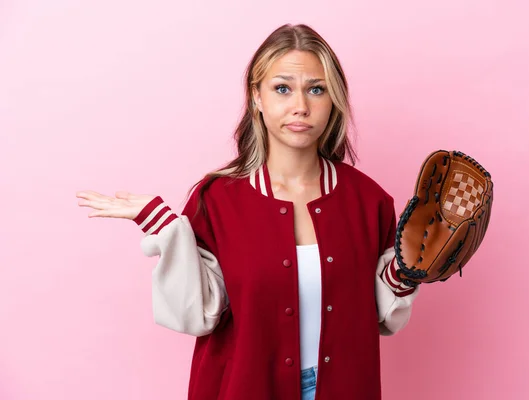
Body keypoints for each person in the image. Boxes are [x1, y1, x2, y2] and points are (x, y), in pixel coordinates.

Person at [76, 23, 420, 400]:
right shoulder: (217, 200)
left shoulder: (369, 201)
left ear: (334, 98)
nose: (300, 106)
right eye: (282, 89)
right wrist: (165, 227)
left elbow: (379, 314)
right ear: (257, 97)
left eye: (316, 89)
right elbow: (198, 313)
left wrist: (409, 269)